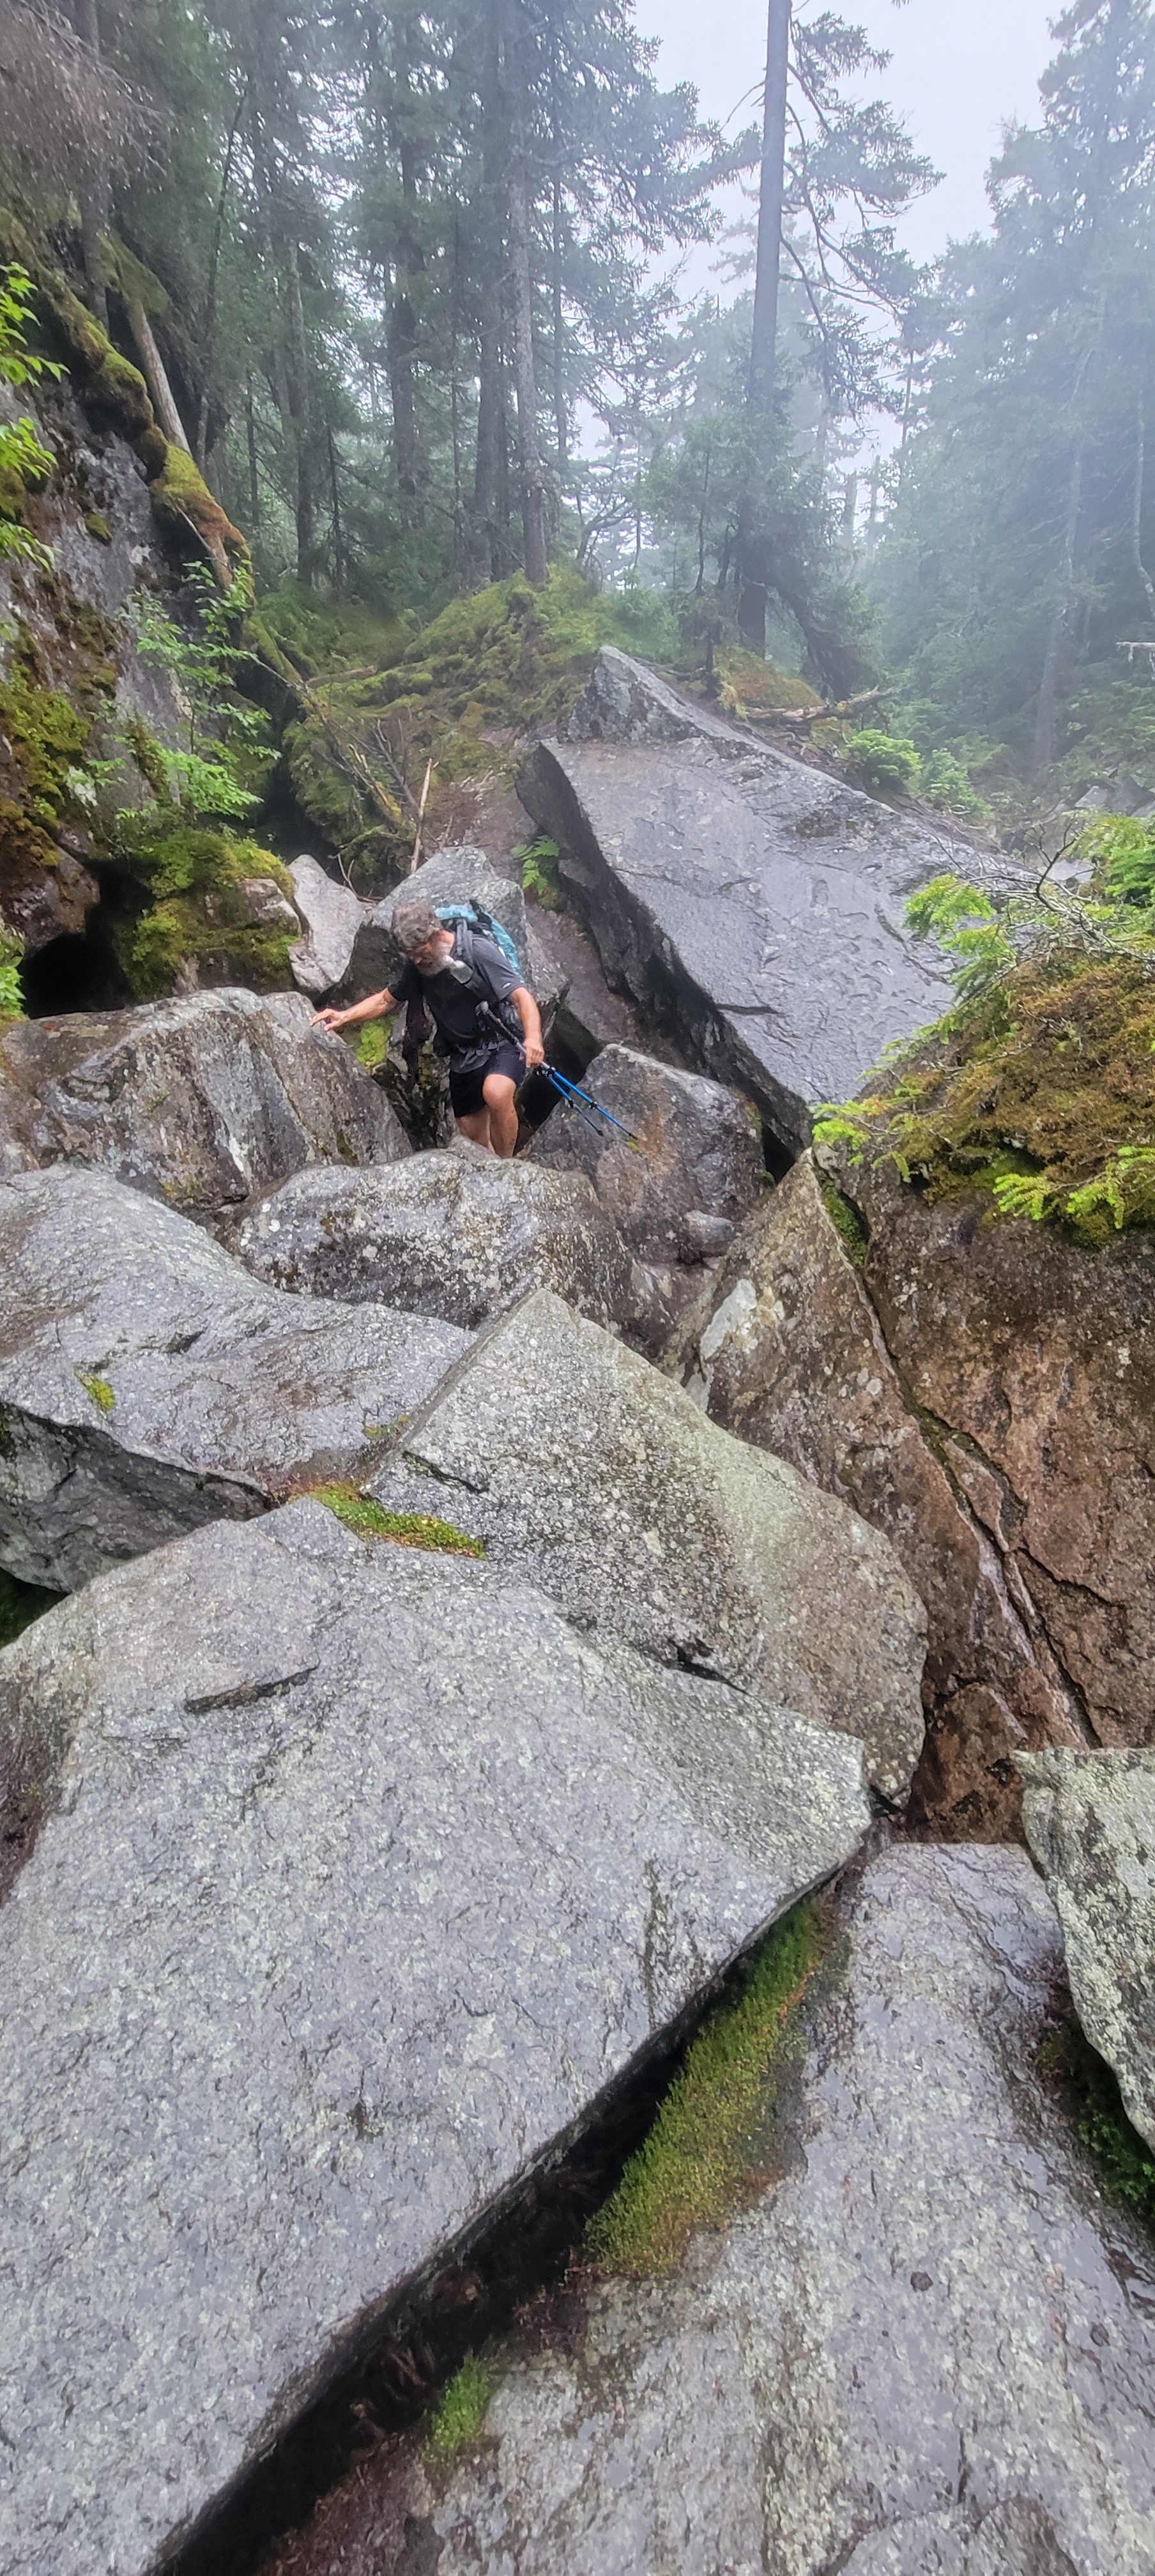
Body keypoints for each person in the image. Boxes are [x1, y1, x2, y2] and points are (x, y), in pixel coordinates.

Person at [312, 899, 544, 1158]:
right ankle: (491, 1166)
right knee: (471, 1134)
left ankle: (507, 1164)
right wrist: (345, 1016)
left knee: (496, 1093)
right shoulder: (419, 966)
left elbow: (521, 996)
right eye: (410, 953)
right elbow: (386, 1000)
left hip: (501, 1039)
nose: (416, 958)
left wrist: (534, 1038)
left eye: (420, 950)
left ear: (436, 934)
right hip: (463, 1054)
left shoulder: (477, 950)